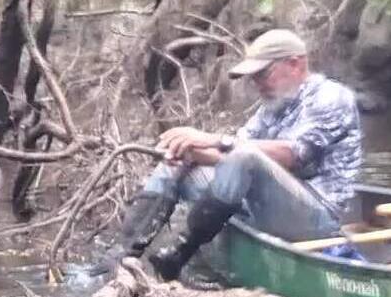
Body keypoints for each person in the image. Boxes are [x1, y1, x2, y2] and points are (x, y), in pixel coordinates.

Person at [112, 28, 361, 280]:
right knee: (177, 165)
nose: (257, 84)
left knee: (244, 156)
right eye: (253, 78)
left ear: (295, 64)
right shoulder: (272, 107)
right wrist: (192, 151)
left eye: (263, 75)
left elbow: (292, 155)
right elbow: (234, 158)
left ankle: (181, 251)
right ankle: (124, 256)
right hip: (268, 206)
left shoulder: (332, 97)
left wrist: (212, 139)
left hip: (318, 217)